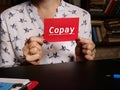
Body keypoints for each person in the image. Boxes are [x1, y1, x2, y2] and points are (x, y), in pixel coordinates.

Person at [0, 0, 96, 67]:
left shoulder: (83, 16)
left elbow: (85, 72)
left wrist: (83, 63)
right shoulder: (8, 17)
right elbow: (5, 76)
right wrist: (27, 65)